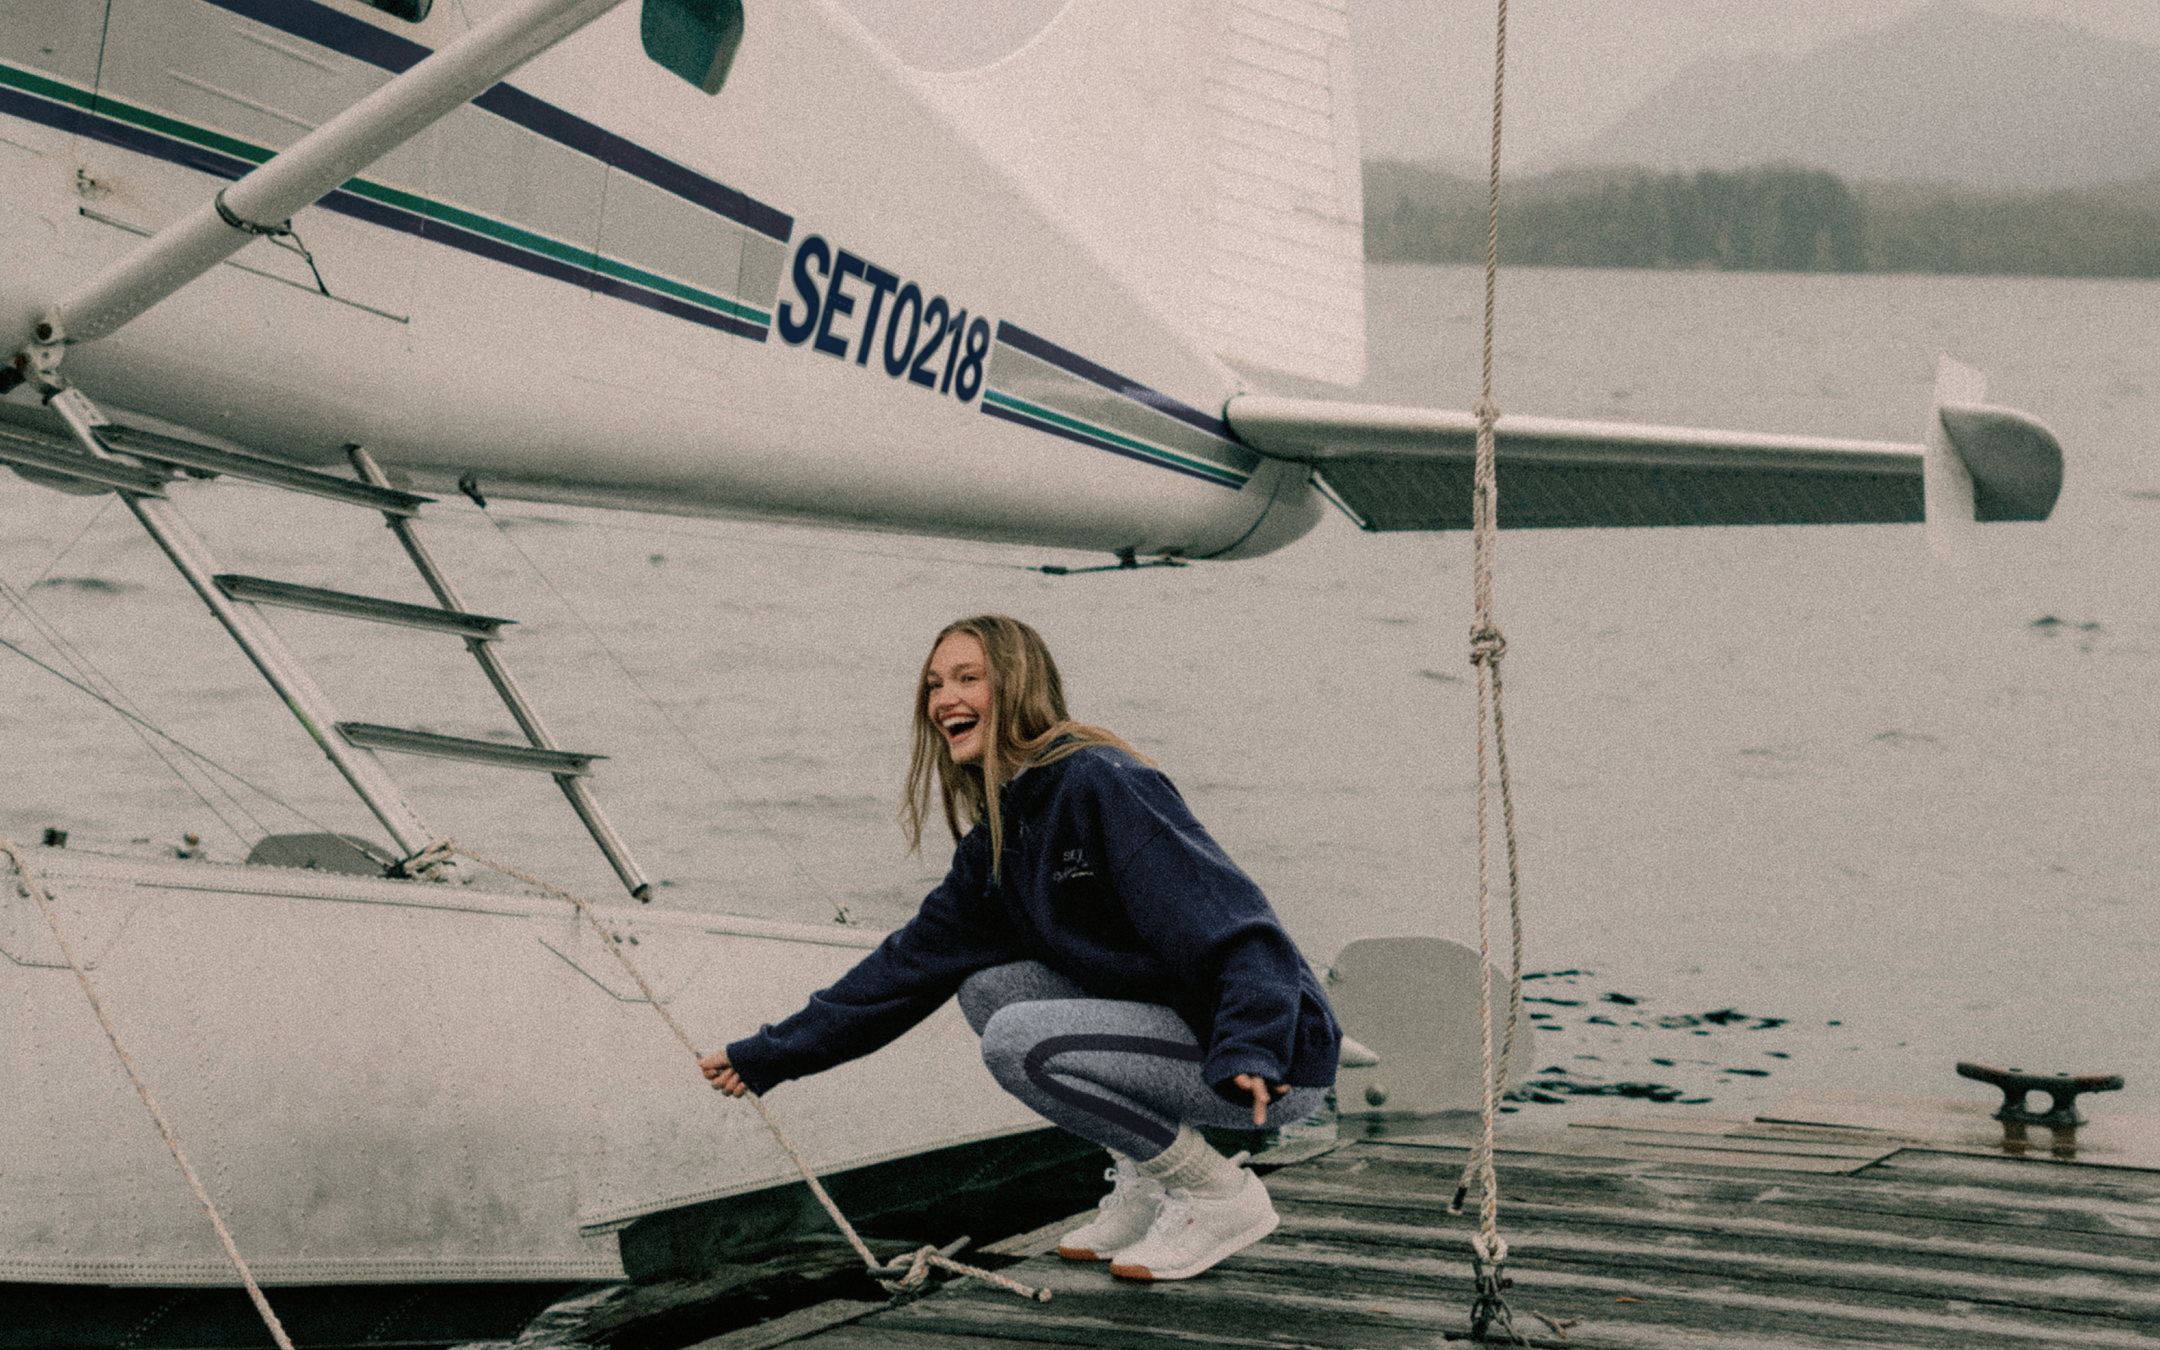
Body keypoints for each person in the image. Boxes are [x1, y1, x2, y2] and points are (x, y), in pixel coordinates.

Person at [699, 614, 1340, 1282]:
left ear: (1018, 683)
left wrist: (1254, 1042)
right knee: (990, 990)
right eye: (933, 684)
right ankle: (1147, 1183)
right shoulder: (1002, 835)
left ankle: (1218, 1193)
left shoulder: (1101, 781)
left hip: (1272, 1059)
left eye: (967, 678)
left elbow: (1238, 924)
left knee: (1019, 1040)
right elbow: (904, 970)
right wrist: (769, 1055)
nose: (943, 698)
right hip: (1198, 1039)